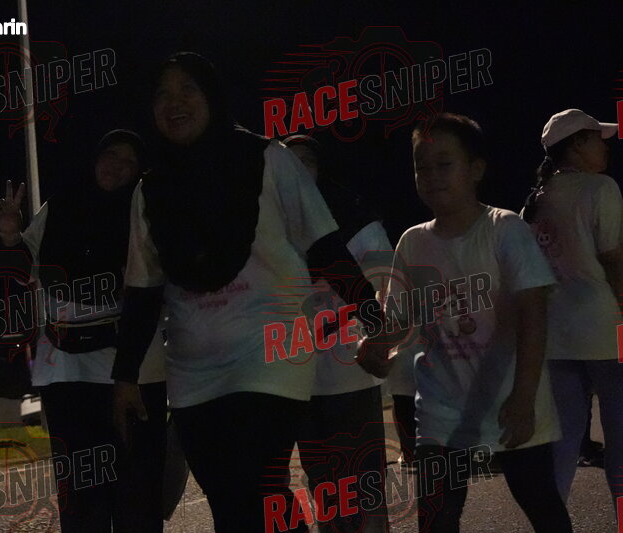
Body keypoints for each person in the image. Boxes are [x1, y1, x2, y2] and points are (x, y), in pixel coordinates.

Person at [111, 52, 390, 533]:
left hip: (271, 356)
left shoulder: (268, 159)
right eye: (162, 94)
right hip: (193, 370)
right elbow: (143, 291)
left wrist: (374, 319)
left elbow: (325, 247)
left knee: (254, 487)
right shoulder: (150, 191)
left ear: (212, 96)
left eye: (187, 89)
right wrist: (124, 377)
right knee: (231, 503)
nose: (174, 103)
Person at [388, 113, 572, 532]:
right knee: (437, 518)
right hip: (441, 411)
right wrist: (377, 346)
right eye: (421, 167)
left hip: (509, 403)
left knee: (541, 504)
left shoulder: (504, 228)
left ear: (475, 170)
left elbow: (533, 313)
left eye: (444, 164)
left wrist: (524, 397)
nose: (431, 176)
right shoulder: (412, 242)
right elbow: (399, 319)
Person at [0, 130, 167, 533]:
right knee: (79, 493)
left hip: (129, 369)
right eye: (111, 155)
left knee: (135, 492)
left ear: (139, 173)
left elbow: (157, 286)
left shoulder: (145, 211)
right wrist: (10, 233)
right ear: (95, 157)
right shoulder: (61, 206)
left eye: (128, 162)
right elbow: (22, 271)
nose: (116, 166)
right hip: (65, 370)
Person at [285, 134, 391, 533]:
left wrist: (378, 341)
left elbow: (386, 290)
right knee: (324, 485)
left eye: (306, 161)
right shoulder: (271, 229)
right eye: (287, 164)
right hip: (299, 380)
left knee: (364, 484)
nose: (297, 172)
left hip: (350, 375)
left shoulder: (357, 223)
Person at [521, 108, 622, 508]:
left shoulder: (537, 199)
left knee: (563, 439)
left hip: (556, 335)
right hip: (604, 330)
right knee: (619, 435)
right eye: (597, 139)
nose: (605, 147)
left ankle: (552, 520)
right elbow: (613, 260)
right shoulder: (601, 189)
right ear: (577, 144)